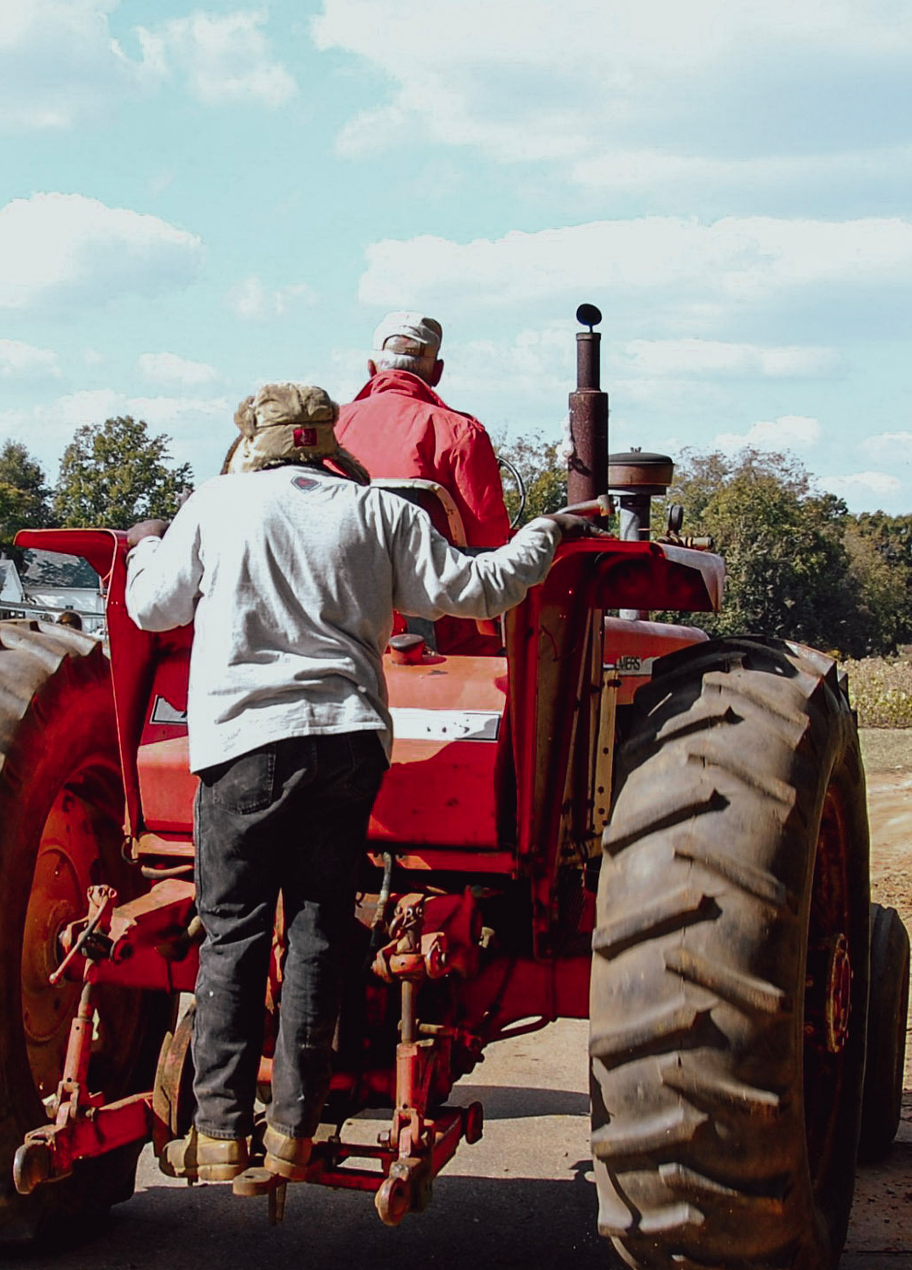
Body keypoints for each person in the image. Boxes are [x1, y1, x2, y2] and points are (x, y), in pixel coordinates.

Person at [123, 382, 598, 1185]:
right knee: (317, 930)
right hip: (347, 742)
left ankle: (219, 1134)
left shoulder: (217, 504)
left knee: (234, 931)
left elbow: (148, 607)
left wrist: (142, 544)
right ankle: (292, 1133)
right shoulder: (378, 512)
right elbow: (478, 589)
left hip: (243, 745)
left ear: (257, 439)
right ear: (324, 440)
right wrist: (545, 535)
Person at [335, 311, 511, 550]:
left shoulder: (330, 429)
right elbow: (489, 541)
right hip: (430, 584)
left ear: (371, 368)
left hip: (342, 582)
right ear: (437, 372)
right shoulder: (461, 433)